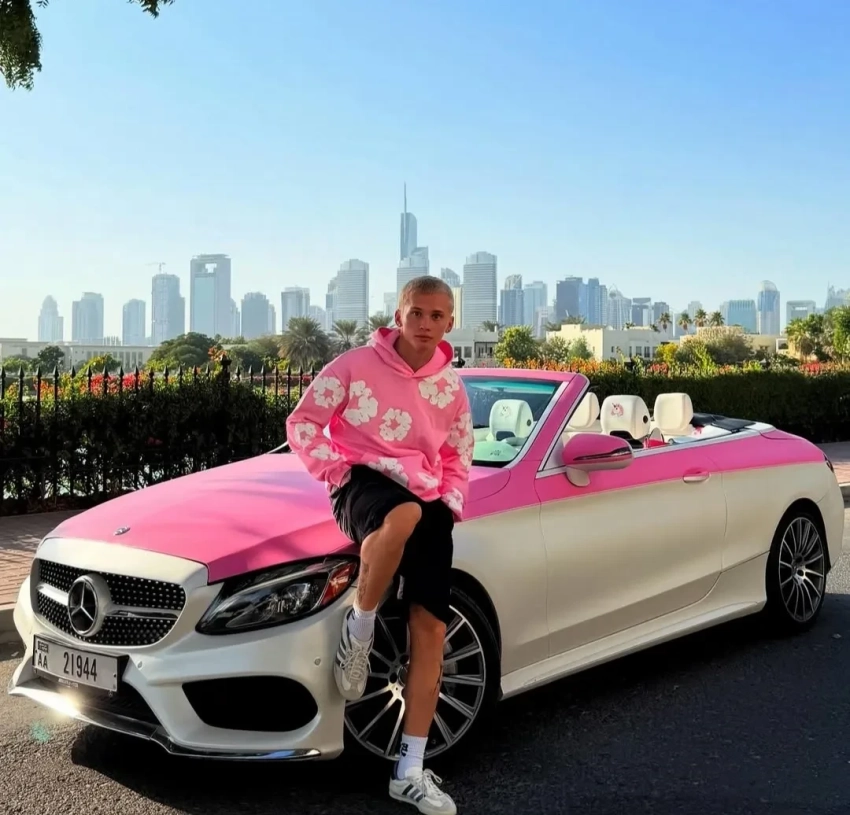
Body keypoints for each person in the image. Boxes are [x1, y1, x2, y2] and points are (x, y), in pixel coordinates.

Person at [285, 275, 472, 815]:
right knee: (403, 512)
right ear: (398, 315)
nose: (425, 324)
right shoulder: (353, 366)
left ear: (449, 323)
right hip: (363, 484)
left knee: (431, 629)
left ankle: (409, 770)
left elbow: (459, 453)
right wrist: (338, 471)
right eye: (416, 313)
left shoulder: (451, 387)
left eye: (436, 316)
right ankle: (360, 628)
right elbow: (303, 423)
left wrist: (451, 500)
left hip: (428, 496)